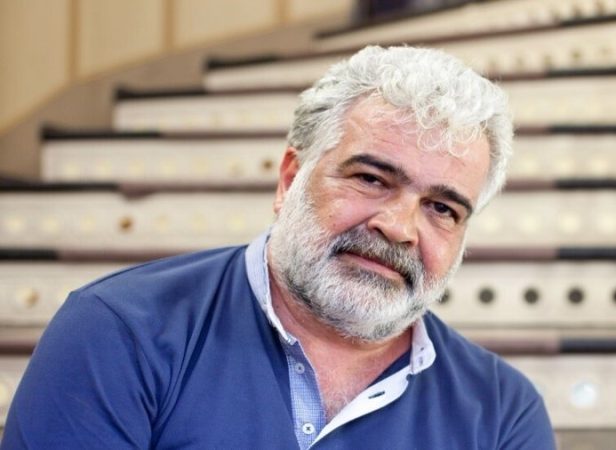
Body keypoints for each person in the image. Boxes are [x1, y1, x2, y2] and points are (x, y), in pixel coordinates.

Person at [2, 46, 555, 449]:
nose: (399, 228)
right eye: (370, 179)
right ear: (290, 179)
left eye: (442, 208)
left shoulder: (503, 414)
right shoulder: (118, 333)